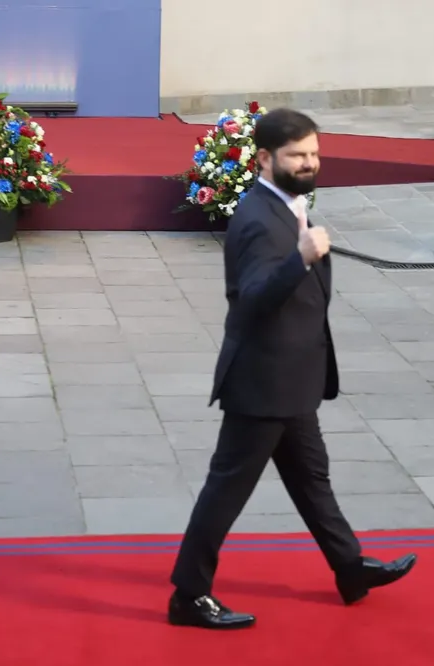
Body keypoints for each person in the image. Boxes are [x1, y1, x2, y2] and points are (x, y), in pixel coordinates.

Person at [167, 108, 416, 630]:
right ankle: (189, 595)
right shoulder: (258, 219)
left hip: (292, 379)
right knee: (227, 490)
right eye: (297, 155)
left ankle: (350, 567)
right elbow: (252, 300)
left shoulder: (286, 204)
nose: (309, 163)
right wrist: (299, 258)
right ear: (264, 158)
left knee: (311, 479)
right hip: (263, 384)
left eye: (314, 154)